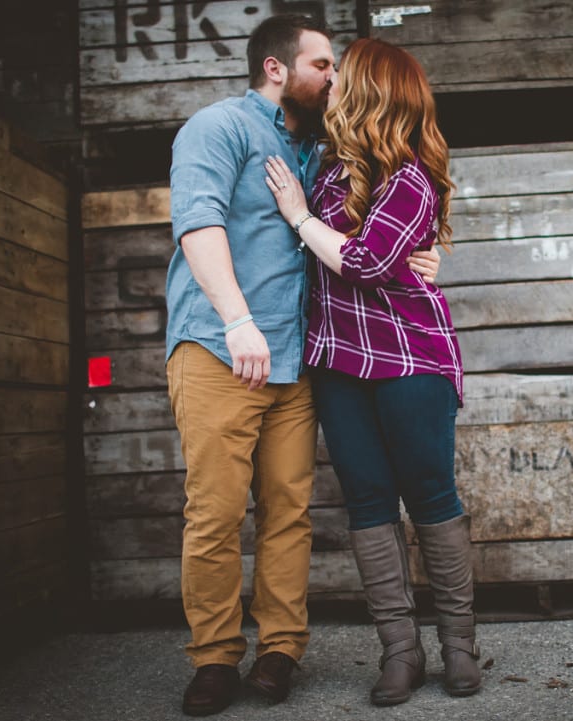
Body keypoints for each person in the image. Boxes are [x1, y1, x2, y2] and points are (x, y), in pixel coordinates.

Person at [166, 16, 439, 717]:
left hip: (294, 360)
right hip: (221, 349)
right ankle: (215, 656)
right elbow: (198, 225)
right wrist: (236, 319)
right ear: (277, 69)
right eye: (324, 65)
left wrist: (421, 258)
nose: (336, 77)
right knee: (216, 512)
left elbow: (369, 220)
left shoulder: (319, 149)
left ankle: (281, 648)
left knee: (288, 512)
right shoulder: (217, 128)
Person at [264, 37, 481, 706]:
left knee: (430, 494)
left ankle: (460, 647)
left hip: (409, 354)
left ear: (370, 92)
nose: (330, 86)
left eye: (340, 77)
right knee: (366, 502)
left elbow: (365, 264)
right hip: (338, 361)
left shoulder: (408, 176)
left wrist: (298, 216)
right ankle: (400, 652)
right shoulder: (328, 170)